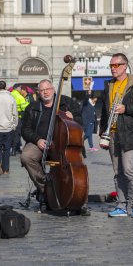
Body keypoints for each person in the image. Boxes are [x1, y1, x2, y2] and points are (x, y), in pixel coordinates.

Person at [20, 79, 87, 214]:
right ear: (38, 93)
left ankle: (78, 196)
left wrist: (73, 118)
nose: (45, 92)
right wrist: (37, 140)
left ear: (54, 89)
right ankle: (46, 188)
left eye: (48, 89)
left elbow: (81, 122)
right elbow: (25, 129)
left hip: (64, 144)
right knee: (26, 156)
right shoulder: (32, 107)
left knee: (75, 168)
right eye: (42, 90)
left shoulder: (67, 103)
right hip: (41, 143)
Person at [99, 53, 133, 218]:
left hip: (129, 133)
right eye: (111, 66)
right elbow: (104, 110)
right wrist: (102, 132)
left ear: (124, 66)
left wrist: (126, 108)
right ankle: (121, 206)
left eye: (116, 65)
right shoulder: (108, 85)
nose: (113, 69)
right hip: (112, 133)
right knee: (118, 171)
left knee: (129, 170)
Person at [10, 85, 29, 156]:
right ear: (17, 88)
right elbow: (25, 109)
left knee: (9, 133)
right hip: (17, 117)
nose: (21, 89)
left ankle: (8, 148)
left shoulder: (9, 95)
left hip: (8, 117)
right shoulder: (20, 97)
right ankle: (14, 150)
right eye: (20, 88)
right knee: (17, 133)